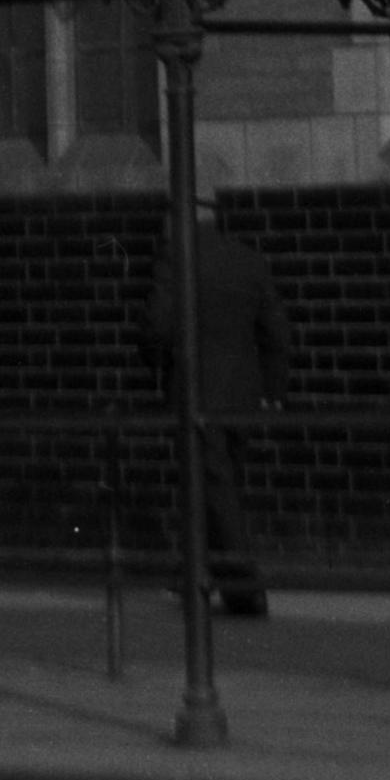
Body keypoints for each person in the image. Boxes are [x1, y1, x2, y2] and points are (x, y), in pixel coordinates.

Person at [141, 206, 290, 621]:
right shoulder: (248, 259)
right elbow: (275, 329)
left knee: (212, 489)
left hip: (196, 393)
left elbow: (157, 324)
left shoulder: (176, 257)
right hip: (241, 395)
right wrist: (274, 388)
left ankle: (244, 591)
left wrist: (153, 362)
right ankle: (197, 572)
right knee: (219, 487)